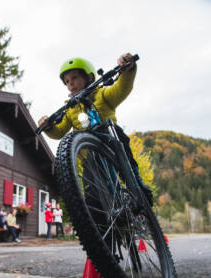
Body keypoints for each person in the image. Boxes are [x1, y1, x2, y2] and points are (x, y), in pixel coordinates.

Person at [38, 54, 153, 205]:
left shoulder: (102, 94)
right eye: (67, 82)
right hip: (90, 158)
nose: (71, 84)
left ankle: (137, 186)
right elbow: (59, 131)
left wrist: (127, 70)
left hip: (111, 144)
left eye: (74, 78)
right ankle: (95, 223)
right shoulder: (70, 109)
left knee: (118, 136)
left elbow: (121, 88)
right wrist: (48, 127)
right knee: (92, 196)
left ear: (89, 77)